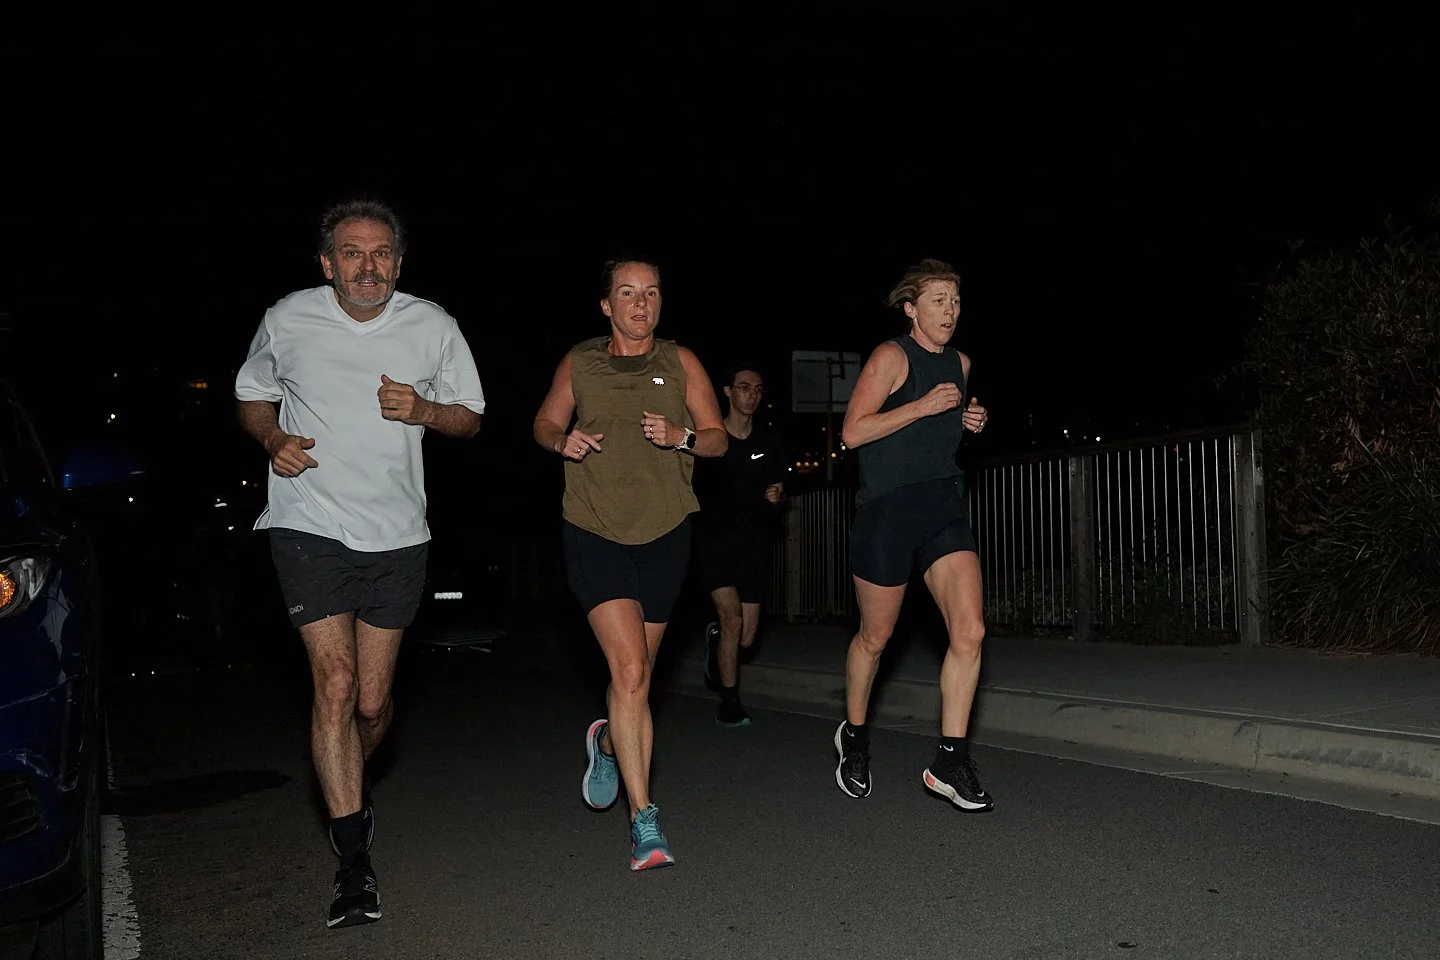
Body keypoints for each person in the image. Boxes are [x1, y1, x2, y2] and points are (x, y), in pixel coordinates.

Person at [234, 199, 486, 928]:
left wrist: (424, 411)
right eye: (352, 253)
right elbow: (251, 396)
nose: (367, 267)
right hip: (307, 524)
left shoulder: (433, 325)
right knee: (336, 683)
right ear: (327, 263)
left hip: (398, 534)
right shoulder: (288, 318)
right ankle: (353, 866)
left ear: (399, 264)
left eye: (380, 254)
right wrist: (273, 440)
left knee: (371, 704)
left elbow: (470, 417)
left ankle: (349, 782)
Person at [533, 258, 726, 870]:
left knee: (634, 681)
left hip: (666, 531)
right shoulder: (580, 361)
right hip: (594, 528)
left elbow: (718, 437)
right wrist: (560, 440)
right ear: (606, 305)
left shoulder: (681, 360)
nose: (641, 304)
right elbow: (544, 421)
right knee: (632, 670)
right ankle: (645, 821)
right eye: (628, 293)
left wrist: (681, 436)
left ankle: (610, 745)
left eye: (651, 293)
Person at [832, 258, 993, 812]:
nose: (950, 311)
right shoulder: (891, 357)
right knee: (874, 637)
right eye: (938, 301)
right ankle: (854, 738)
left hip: (942, 508)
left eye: (955, 301)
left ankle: (949, 761)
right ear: (911, 308)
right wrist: (922, 406)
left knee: (970, 630)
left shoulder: (961, 363)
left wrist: (967, 422)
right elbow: (853, 432)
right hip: (887, 513)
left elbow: (936, 438)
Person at [693, 362, 789, 726]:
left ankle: (716, 639)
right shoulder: (711, 440)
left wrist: (777, 496)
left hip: (754, 544)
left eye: (758, 389)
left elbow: (778, 488)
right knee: (732, 619)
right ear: (728, 392)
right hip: (714, 543)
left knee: (746, 637)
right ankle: (729, 702)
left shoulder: (769, 442)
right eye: (744, 388)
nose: (752, 395)